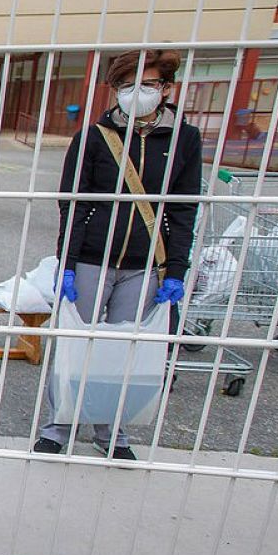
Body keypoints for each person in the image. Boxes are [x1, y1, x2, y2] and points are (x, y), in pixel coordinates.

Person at [40, 48, 203, 460]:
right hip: (94, 258)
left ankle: (111, 432)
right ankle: (58, 426)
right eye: (126, 85)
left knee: (124, 352)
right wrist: (69, 263)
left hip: (144, 264)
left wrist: (175, 270)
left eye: (147, 84)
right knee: (77, 346)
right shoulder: (94, 137)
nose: (136, 93)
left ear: (167, 88)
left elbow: (183, 208)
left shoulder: (184, 138)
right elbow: (73, 203)